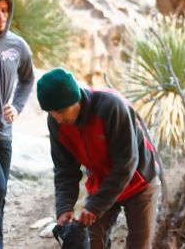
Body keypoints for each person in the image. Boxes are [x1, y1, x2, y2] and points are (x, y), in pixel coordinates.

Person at [37, 68, 159, 249]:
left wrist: (95, 206)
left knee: (139, 245)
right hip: (102, 180)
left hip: (138, 181)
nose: (58, 119)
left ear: (76, 98)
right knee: (92, 242)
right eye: (52, 113)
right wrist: (64, 208)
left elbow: (126, 164)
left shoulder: (111, 107)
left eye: (61, 111)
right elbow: (65, 170)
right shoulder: (56, 121)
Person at [0, 0, 34, 248]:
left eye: (4, 10)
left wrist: (18, 106)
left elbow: (28, 79)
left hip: (5, 131)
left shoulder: (18, 45)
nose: (0, 16)